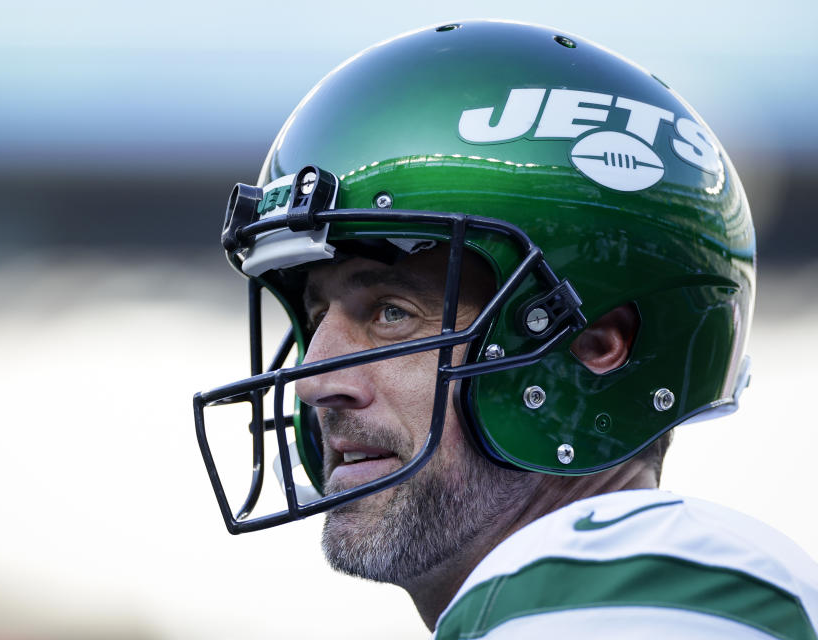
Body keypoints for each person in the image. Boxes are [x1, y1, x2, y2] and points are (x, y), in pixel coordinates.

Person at [193, 20, 818, 638]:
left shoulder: (637, 589)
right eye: (313, 317)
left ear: (596, 343)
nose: (312, 381)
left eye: (391, 314)